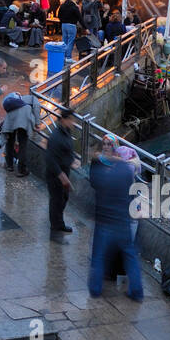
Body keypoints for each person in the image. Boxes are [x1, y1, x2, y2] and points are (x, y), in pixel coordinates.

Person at [87, 137, 144, 301]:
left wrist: (95, 157)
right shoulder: (125, 171)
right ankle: (137, 292)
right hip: (122, 221)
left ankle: (95, 289)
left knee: (98, 257)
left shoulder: (100, 171)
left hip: (104, 221)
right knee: (130, 256)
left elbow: (94, 184)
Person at [44, 113, 77, 233]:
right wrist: (61, 175)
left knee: (63, 197)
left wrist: (71, 161)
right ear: (63, 120)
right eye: (71, 120)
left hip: (64, 170)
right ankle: (56, 225)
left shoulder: (66, 132)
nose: (73, 122)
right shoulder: (56, 137)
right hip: (56, 174)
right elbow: (49, 158)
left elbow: (67, 150)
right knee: (56, 200)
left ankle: (58, 222)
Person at [0, 90, 38, 175]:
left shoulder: (19, 99)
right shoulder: (34, 98)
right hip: (23, 120)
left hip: (11, 119)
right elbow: (37, 108)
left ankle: (9, 166)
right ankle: (21, 170)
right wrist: (37, 123)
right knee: (23, 144)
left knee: (9, 142)